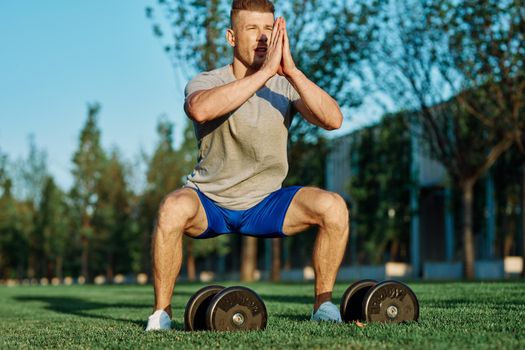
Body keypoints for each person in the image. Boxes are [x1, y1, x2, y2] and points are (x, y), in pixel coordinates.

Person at [146, 0, 349, 331]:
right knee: (171, 208)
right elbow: (200, 110)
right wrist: (265, 73)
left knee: (334, 207)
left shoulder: (285, 84)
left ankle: (323, 305)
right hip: (211, 201)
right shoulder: (207, 80)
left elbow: (333, 119)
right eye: (252, 29)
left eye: (268, 29)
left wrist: (291, 71)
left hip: (266, 203)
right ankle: (161, 314)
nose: (262, 38)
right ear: (230, 37)